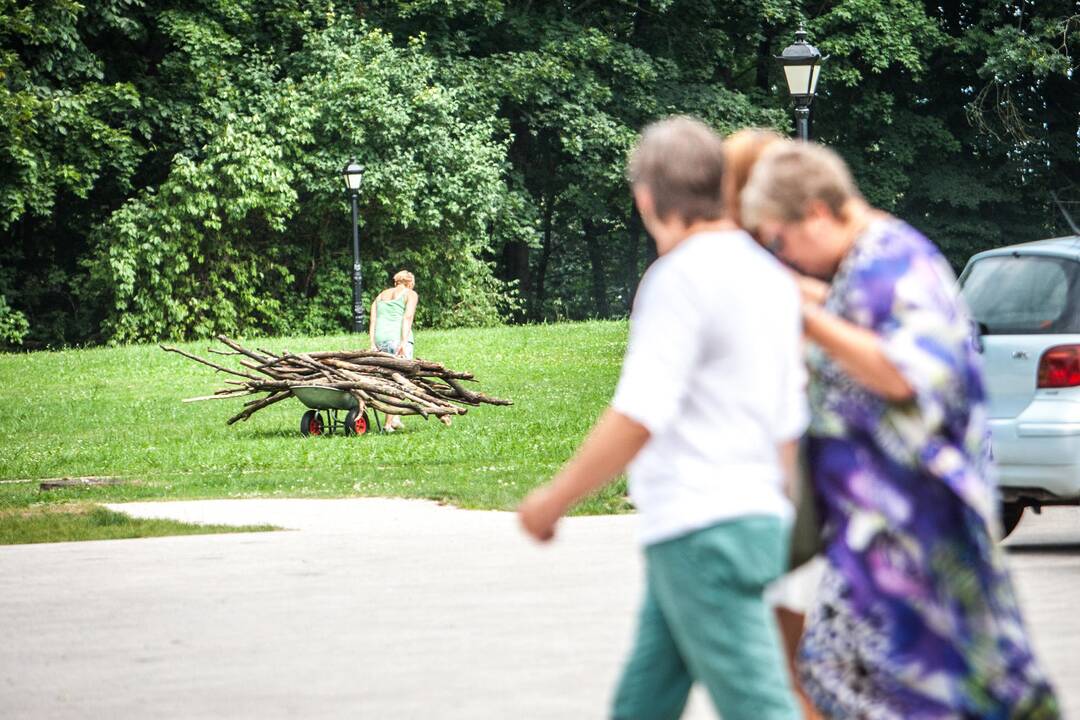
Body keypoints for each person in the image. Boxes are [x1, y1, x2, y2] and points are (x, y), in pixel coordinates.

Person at [741, 141, 1060, 719]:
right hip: (878, 528)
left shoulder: (892, 262)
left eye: (779, 240)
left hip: (918, 529)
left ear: (814, 212)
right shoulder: (867, 262)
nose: (783, 255)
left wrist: (805, 315)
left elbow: (905, 372)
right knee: (842, 671)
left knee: (932, 689)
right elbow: (861, 319)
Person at [518, 116, 806, 720]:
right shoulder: (771, 276)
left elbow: (638, 413)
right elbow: (788, 422)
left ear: (647, 197)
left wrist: (554, 499)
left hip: (701, 527)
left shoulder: (680, 277)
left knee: (760, 706)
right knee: (644, 699)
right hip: (751, 518)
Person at [722, 127, 823, 720]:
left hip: (783, 478)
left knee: (788, 662)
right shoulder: (781, 263)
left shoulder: (767, 265)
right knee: (791, 659)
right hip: (792, 472)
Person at [369, 270, 418, 432]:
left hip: (380, 340)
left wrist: (372, 344)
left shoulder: (380, 295)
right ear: (410, 283)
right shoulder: (410, 294)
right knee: (397, 381)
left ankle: (395, 419)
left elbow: (373, 320)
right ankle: (388, 424)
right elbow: (408, 317)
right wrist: (403, 342)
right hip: (396, 339)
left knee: (389, 379)